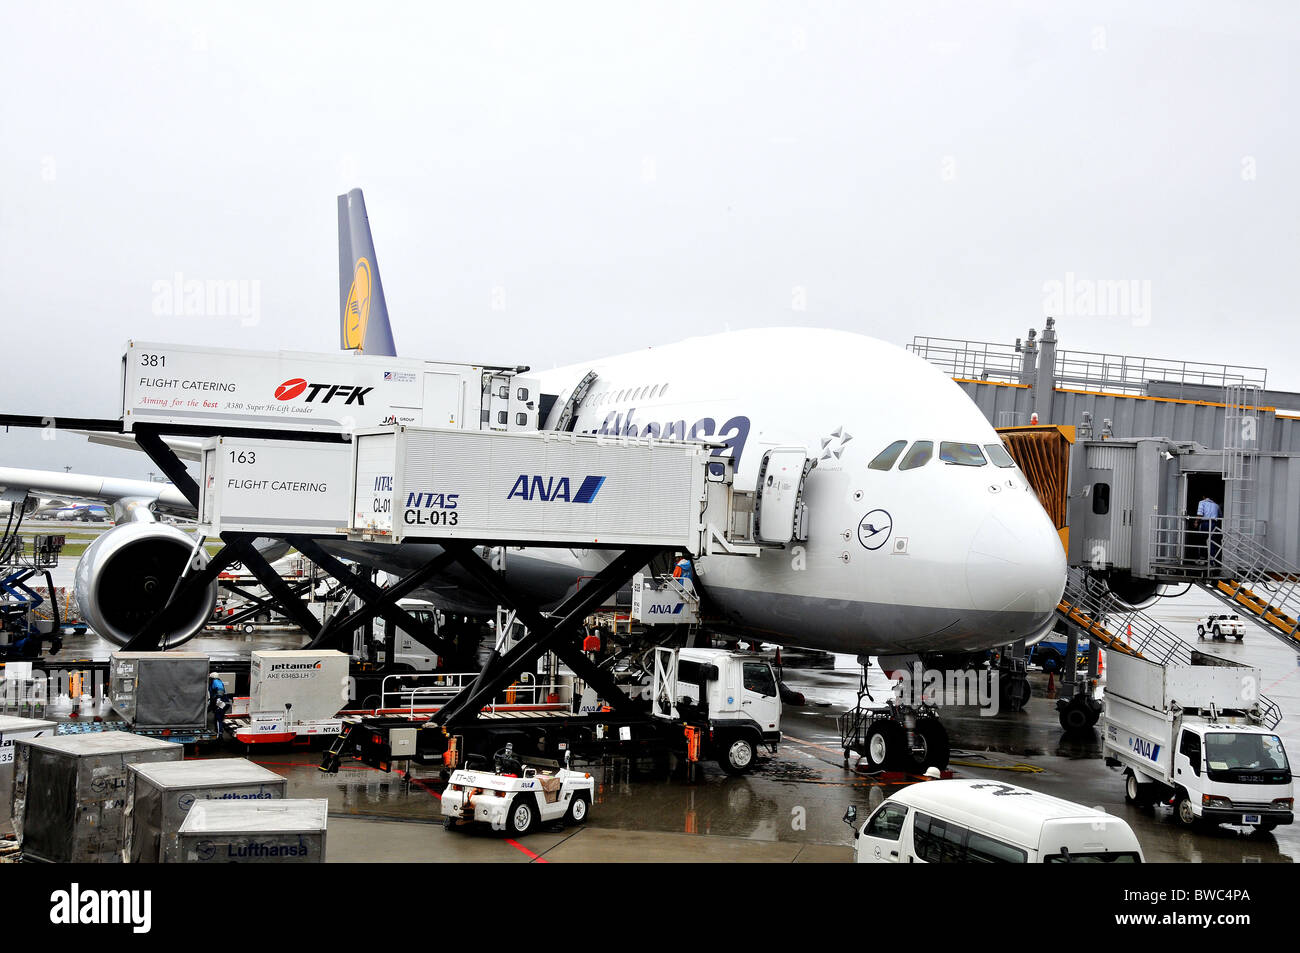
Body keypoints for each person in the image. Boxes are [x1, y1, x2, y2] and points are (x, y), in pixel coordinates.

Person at [1197, 494, 1222, 563]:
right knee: (1212, 542)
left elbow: (1200, 514)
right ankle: (1212, 560)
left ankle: (1202, 558)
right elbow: (1220, 516)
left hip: (1205, 523)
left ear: (1204, 497)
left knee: (1202, 540)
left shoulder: (1202, 502)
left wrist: (1196, 522)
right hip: (1214, 524)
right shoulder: (1216, 505)